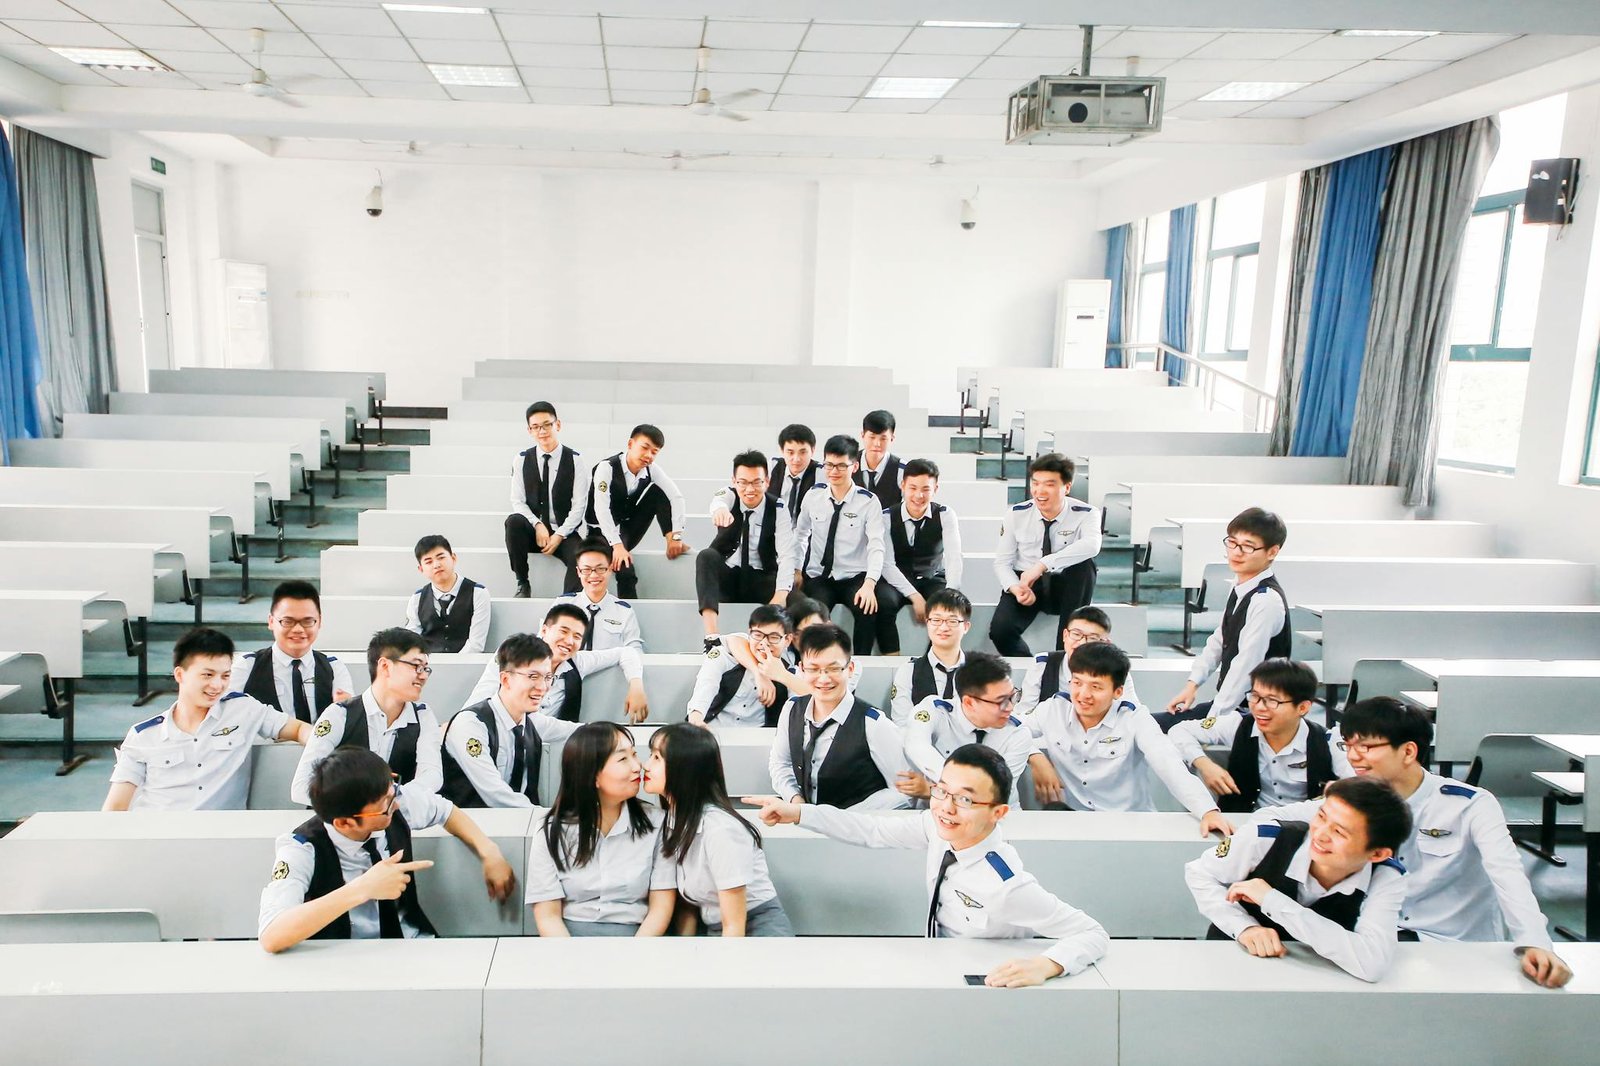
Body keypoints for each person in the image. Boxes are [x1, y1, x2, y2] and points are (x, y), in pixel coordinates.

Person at [1257, 697, 1573, 989]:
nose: (1353, 756)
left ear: (1408, 751)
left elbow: (1508, 876)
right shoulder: (1351, 799)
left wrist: (1535, 941)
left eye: (1366, 746)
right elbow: (1272, 818)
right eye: (1348, 744)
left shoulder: (1470, 805)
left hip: (1455, 949)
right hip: (1375, 942)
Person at [746, 745, 1109, 987]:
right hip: (936, 962)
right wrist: (799, 813)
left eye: (965, 799)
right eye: (941, 790)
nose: (947, 807)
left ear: (998, 813)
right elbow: (870, 828)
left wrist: (1046, 965)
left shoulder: (1005, 884)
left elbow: (1091, 933)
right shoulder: (940, 831)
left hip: (982, 983)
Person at [258, 747, 515, 952]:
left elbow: (445, 811)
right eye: (385, 804)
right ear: (345, 822)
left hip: (413, 944)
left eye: (392, 791)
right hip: (344, 959)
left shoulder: (394, 800)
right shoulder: (301, 849)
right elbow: (272, 935)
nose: (395, 804)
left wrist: (489, 851)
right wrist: (362, 889)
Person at [1183, 776, 1411, 982]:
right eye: (1321, 816)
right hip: (1233, 963)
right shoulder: (1266, 838)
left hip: (1318, 979)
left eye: (1339, 832)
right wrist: (1244, 927)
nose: (1320, 834)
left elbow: (1371, 963)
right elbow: (1200, 873)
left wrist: (1272, 901)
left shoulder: (1386, 876)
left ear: (1377, 853)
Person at [1028, 643, 1232, 835]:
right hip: (1076, 822)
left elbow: (1169, 765)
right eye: (1077, 683)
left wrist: (1207, 811)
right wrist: (1035, 756)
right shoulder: (1052, 709)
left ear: (1118, 691)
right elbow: (1013, 730)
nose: (1083, 694)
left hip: (1130, 824)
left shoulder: (1135, 718)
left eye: (1096, 687)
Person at [105, 628, 310, 812]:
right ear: (180, 674)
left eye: (225, 676)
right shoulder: (143, 736)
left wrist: (323, 743)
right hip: (159, 837)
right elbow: (115, 807)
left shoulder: (243, 709)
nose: (217, 685)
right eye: (207, 675)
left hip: (220, 839)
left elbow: (299, 729)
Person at [526, 722, 677, 936]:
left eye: (634, 755)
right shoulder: (551, 830)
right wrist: (569, 963)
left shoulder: (658, 823)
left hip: (638, 939)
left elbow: (661, 908)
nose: (638, 766)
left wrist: (638, 958)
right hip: (568, 942)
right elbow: (548, 916)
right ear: (593, 774)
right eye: (623, 759)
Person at [645, 723, 792, 936]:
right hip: (717, 928)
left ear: (684, 766)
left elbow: (734, 924)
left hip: (755, 928)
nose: (645, 765)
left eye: (657, 758)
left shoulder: (720, 829)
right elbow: (690, 905)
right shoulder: (674, 820)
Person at [1164, 507, 1291, 731]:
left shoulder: (1266, 601)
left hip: (1254, 714)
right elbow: (1220, 639)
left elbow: (1245, 666)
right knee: (1152, 726)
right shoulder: (1240, 585)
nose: (1236, 552)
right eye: (1232, 542)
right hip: (1232, 706)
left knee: (1168, 732)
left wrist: (1211, 721)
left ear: (1272, 552)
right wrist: (1192, 685)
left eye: (1248, 546)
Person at [1169, 659, 1350, 813]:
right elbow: (1179, 730)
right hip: (1243, 826)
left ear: (1302, 708)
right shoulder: (1239, 724)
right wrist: (1204, 764)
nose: (1259, 707)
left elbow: (1361, 784)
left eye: (1272, 700)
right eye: (1255, 696)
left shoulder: (1327, 741)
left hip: (1303, 830)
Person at [291, 628, 444, 806]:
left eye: (426, 668)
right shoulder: (340, 714)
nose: (423, 675)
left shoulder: (423, 716)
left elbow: (432, 775)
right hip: (342, 824)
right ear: (385, 666)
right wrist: (362, 804)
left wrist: (392, 797)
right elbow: (301, 786)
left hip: (396, 819)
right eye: (416, 666)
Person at [767, 623, 909, 810]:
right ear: (801, 669)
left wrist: (846, 820)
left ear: (850, 669)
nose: (824, 678)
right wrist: (797, 802)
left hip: (857, 830)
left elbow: (904, 791)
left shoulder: (873, 723)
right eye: (814, 669)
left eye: (833, 669)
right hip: (805, 824)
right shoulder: (792, 709)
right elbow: (781, 764)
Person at [439, 634, 583, 808]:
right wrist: (546, 819)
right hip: (466, 828)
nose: (543, 687)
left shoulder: (531, 722)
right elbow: (496, 794)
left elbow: (576, 730)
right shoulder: (471, 724)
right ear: (505, 679)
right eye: (533, 677)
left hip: (517, 826)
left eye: (547, 677)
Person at [900, 653, 1055, 807]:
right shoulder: (936, 712)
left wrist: (936, 790)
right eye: (1000, 701)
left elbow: (995, 794)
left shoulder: (1017, 733)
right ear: (969, 703)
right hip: (939, 813)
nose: (1010, 707)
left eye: (1013, 696)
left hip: (997, 817)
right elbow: (916, 745)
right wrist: (951, 784)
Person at [988, 454, 1101, 657]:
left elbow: (1092, 545)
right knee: (1000, 631)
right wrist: (1016, 588)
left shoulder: (1086, 513)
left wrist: (1042, 565)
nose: (1040, 491)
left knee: (1085, 567)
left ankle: (1064, 659)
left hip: (1066, 587)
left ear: (1066, 487)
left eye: (1049, 484)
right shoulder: (1016, 514)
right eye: (1035, 483)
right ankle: (1037, 670)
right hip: (1028, 584)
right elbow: (1002, 563)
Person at [464, 603, 649, 724]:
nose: (569, 641)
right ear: (544, 629)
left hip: (549, 744)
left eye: (577, 636)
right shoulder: (515, 652)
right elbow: (479, 699)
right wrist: (461, 724)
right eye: (564, 631)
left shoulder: (577, 662)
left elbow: (626, 652)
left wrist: (636, 686)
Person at [794, 434, 887, 654]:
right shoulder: (813, 496)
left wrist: (870, 583)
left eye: (841, 466)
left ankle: (861, 664)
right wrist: (797, 569)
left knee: (867, 608)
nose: (834, 471)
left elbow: (876, 545)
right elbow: (800, 535)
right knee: (810, 616)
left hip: (853, 577)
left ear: (854, 466)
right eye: (829, 465)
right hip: (819, 576)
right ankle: (811, 663)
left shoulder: (868, 501)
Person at [700, 449, 796, 638]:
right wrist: (720, 511)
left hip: (761, 576)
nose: (749, 489)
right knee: (706, 556)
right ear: (734, 481)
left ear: (766, 482)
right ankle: (711, 636)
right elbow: (718, 501)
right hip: (729, 577)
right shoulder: (728, 495)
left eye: (756, 482)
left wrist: (781, 594)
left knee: (799, 600)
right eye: (743, 483)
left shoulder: (778, 507)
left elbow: (786, 555)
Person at [586, 424, 690, 599]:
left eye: (654, 452)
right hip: (600, 533)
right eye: (645, 448)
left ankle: (670, 539)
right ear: (630, 444)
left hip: (627, 529)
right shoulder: (606, 468)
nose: (649, 455)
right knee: (625, 569)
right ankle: (628, 613)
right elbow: (601, 509)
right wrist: (617, 546)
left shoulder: (651, 469)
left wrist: (677, 534)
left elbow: (676, 497)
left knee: (658, 492)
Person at [231, 580, 354, 722]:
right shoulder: (247, 666)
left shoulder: (334, 667)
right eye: (288, 621)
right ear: (271, 621)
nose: (298, 629)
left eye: (307, 621)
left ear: (319, 622)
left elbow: (346, 718)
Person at [875, 458, 963, 656]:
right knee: (883, 603)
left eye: (926, 489)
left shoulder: (945, 514)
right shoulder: (886, 516)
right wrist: (915, 596)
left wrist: (951, 592)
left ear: (935, 489)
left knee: (948, 609)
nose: (918, 495)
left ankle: (934, 659)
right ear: (903, 486)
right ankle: (892, 658)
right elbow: (887, 564)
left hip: (932, 577)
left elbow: (954, 556)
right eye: (912, 488)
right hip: (896, 580)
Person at [505, 401, 591, 598]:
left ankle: (568, 600)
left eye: (547, 425)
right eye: (535, 427)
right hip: (533, 530)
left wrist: (559, 534)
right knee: (513, 522)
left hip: (564, 532)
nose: (541, 431)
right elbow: (517, 501)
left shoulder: (576, 460)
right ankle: (523, 583)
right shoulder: (521, 459)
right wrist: (537, 524)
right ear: (529, 430)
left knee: (581, 558)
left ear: (557, 425)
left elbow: (580, 505)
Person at [1015, 606, 1141, 716]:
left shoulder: (1115, 669)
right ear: (1065, 635)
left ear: (1106, 644)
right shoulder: (1043, 664)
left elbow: (1132, 713)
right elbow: (1025, 713)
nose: (1082, 643)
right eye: (1076, 634)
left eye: (1092, 638)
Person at [688, 605, 795, 728]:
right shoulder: (727, 656)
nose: (764, 643)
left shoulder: (789, 673)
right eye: (758, 635)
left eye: (774, 637)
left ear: (787, 640)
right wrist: (696, 718)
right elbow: (707, 684)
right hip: (713, 729)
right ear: (749, 633)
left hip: (759, 739)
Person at [888, 587, 971, 723]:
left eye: (952, 621)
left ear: (966, 626)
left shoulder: (979, 672)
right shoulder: (909, 672)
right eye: (936, 620)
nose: (943, 627)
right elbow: (902, 724)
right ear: (927, 622)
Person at [403, 534, 490, 654]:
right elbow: (412, 642)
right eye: (428, 562)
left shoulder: (478, 593)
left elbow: (476, 645)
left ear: (453, 558)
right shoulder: (417, 599)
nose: (436, 565)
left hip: (467, 665)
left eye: (441, 557)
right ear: (421, 569)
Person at [554, 540, 643, 652]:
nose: (594, 575)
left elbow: (634, 649)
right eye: (586, 569)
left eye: (600, 569)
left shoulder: (623, 611)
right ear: (578, 572)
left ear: (610, 569)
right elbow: (544, 643)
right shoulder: (562, 605)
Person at [854, 409, 904, 511]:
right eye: (872, 437)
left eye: (883, 438)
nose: (877, 443)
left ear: (892, 438)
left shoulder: (902, 470)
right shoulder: (848, 463)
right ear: (862, 435)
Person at [769, 423, 820, 521]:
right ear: (781, 450)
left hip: (808, 533)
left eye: (803, 452)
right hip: (775, 530)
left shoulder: (821, 473)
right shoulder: (771, 467)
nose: (796, 459)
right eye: (790, 452)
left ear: (813, 450)